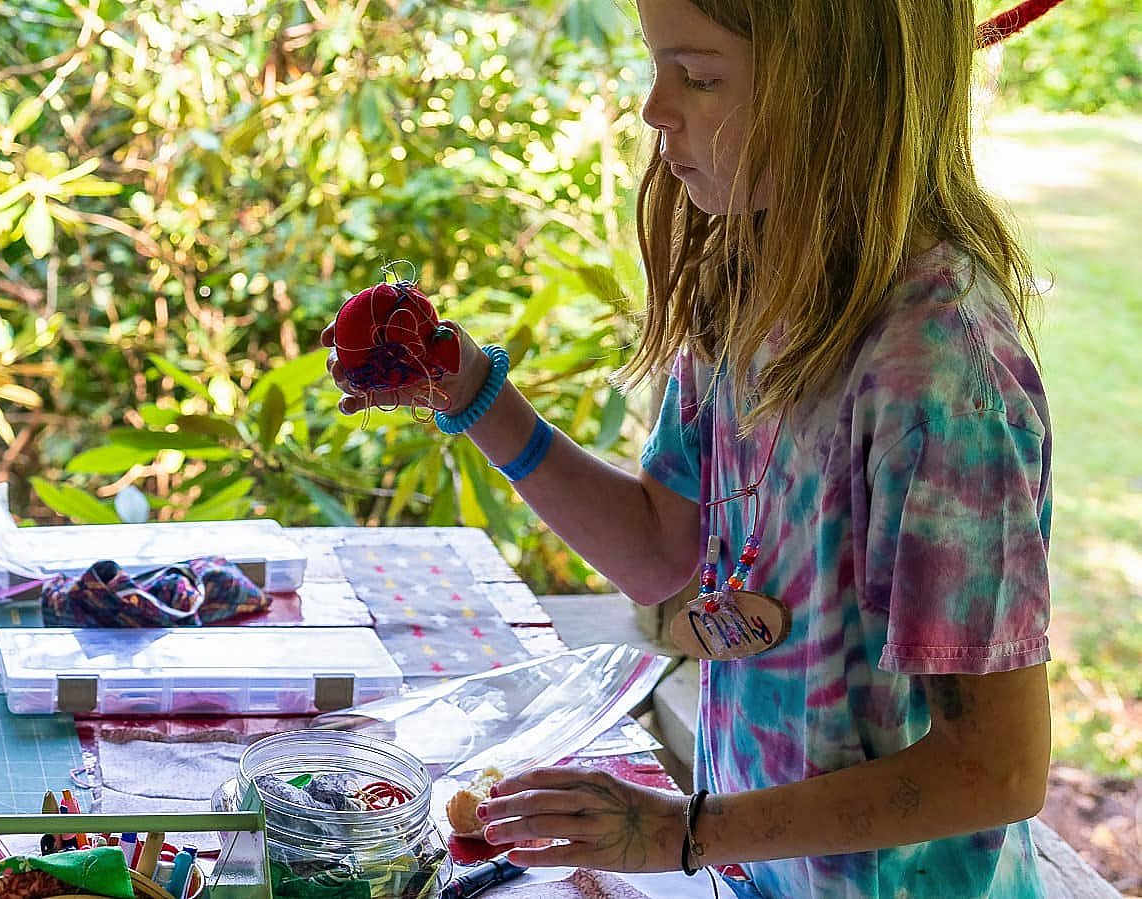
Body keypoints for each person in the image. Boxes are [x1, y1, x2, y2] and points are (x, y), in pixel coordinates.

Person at [329, 0, 1051, 895]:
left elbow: (998, 768)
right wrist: (475, 395)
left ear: (839, 98)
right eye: (658, 66)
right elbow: (665, 552)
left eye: (700, 76)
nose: (655, 109)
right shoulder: (750, 280)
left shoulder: (942, 375)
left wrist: (685, 830)